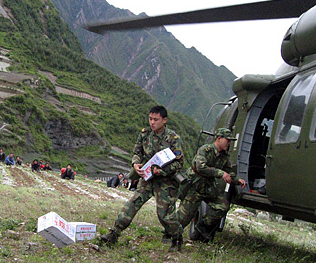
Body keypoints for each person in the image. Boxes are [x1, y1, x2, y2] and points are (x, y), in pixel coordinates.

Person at [100, 105, 183, 251]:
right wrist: (135, 163)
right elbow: (137, 152)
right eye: (150, 119)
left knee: (164, 215)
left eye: (156, 120)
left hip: (165, 181)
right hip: (147, 177)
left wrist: (162, 171)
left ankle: (176, 238)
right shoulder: (145, 134)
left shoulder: (173, 139)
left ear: (164, 120)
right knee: (132, 204)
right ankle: (114, 233)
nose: (152, 122)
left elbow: (179, 163)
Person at [172, 128, 246, 247]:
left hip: (208, 188)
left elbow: (229, 172)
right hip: (195, 186)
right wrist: (220, 173)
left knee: (222, 206)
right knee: (183, 217)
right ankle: (170, 236)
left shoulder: (225, 156)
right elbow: (200, 167)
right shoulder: (205, 150)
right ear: (219, 139)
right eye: (227, 140)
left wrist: (238, 180)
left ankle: (202, 226)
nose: (229, 143)